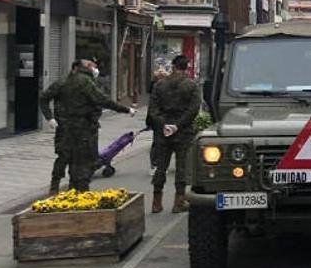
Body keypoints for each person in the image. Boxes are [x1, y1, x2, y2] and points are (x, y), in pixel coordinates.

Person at [40, 60, 136, 193]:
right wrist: (126, 110)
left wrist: (50, 118)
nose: (95, 68)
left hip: (64, 127)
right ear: (80, 68)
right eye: (91, 66)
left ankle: (55, 186)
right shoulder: (85, 81)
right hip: (84, 129)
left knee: (64, 156)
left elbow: (43, 98)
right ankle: (80, 191)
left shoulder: (62, 82)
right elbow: (102, 100)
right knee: (83, 161)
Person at [148, 55, 202, 213]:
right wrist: (177, 126)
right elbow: (193, 109)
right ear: (187, 67)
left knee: (161, 166)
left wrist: (164, 124)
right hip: (183, 131)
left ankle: (156, 201)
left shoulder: (160, 85)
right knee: (181, 167)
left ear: (173, 66)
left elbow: (153, 109)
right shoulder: (191, 86)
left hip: (162, 132)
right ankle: (179, 201)